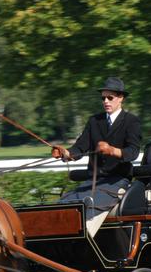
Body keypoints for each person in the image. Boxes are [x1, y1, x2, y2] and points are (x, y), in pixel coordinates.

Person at [51, 77, 141, 235]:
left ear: (121, 98)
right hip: (92, 181)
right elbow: (80, 147)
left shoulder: (131, 121)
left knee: (88, 206)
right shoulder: (94, 121)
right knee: (63, 204)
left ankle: (82, 240)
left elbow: (133, 152)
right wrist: (65, 153)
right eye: (103, 98)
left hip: (117, 181)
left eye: (110, 97)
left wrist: (112, 150)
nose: (106, 101)